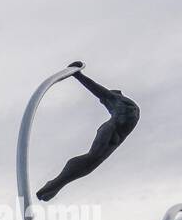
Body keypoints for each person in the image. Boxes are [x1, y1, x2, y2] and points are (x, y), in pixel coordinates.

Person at [36, 63, 140, 202]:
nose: (104, 102)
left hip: (119, 136)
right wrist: (78, 75)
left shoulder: (117, 99)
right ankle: (55, 183)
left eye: (105, 101)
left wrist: (78, 75)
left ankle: (58, 184)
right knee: (91, 157)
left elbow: (97, 89)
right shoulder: (122, 108)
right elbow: (100, 93)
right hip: (112, 128)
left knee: (94, 162)